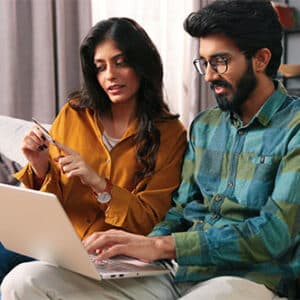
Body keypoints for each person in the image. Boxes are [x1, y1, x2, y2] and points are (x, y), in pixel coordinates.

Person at [2, 0, 300, 299]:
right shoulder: (206, 126)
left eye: (220, 62)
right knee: (25, 280)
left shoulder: (294, 127)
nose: (208, 75)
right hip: (175, 270)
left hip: (249, 276)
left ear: (261, 59)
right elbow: (181, 210)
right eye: (204, 63)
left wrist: (160, 245)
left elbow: (273, 234)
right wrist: (136, 253)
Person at [0, 17, 187, 285]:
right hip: (56, 244)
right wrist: (40, 168)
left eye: (120, 62)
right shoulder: (75, 113)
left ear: (142, 64)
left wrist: (99, 184)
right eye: (100, 67)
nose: (110, 75)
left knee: (21, 281)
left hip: (110, 257)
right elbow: (51, 204)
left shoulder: (170, 134)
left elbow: (149, 220)